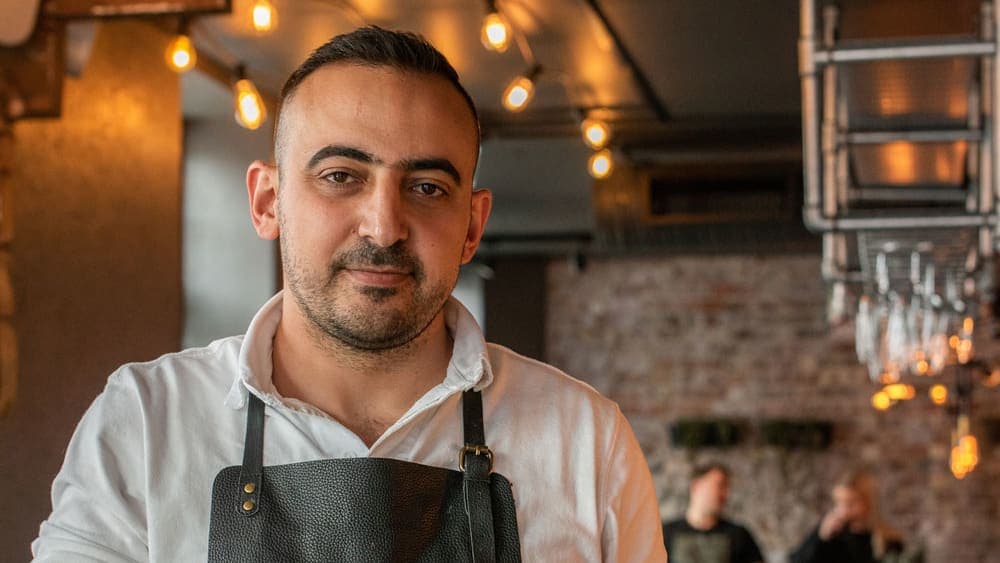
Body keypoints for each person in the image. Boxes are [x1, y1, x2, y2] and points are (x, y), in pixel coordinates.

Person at [30, 26, 665, 562]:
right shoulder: (147, 421)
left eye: (426, 187)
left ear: (471, 226)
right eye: (341, 176)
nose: (384, 226)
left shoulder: (587, 442)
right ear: (268, 201)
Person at [790, 468, 905, 563]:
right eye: (839, 503)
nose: (843, 510)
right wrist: (820, 539)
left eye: (850, 503)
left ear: (868, 503)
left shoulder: (887, 541)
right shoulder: (829, 534)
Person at [662, 463, 765, 563]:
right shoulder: (666, 533)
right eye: (719, 485)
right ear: (696, 486)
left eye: (726, 488)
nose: (725, 494)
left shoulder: (739, 534)